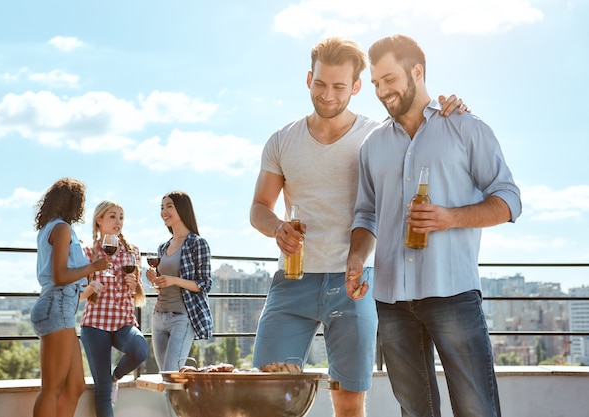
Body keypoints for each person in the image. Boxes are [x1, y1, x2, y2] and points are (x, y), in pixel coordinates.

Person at [249, 37, 468, 417]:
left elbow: (425, 132)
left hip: (356, 282)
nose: (328, 95)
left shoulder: (377, 135)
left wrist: (452, 108)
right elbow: (259, 208)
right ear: (308, 80)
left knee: (348, 401)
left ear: (355, 87)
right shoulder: (282, 140)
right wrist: (277, 228)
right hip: (292, 280)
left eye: (338, 86)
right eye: (320, 84)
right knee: (268, 393)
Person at [346, 34, 522, 417]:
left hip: (452, 293)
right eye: (375, 83)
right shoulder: (372, 145)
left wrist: (451, 217)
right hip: (391, 299)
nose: (381, 91)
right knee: (415, 412)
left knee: (476, 409)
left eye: (389, 79)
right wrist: (357, 258)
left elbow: (509, 201)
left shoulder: (465, 128)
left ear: (417, 71)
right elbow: (365, 215)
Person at [30, 178, 109, 417]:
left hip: (63, 306)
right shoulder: (62, 228)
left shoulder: (54, 228)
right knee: (52, 388)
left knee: (75, 386)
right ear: (74, 203)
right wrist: (93, 266)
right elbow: (60, 275)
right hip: (56, 305)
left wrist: (88, 277)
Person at [80, 200, 149, 416]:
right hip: (95, 324)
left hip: (123, 322)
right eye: (112, 216)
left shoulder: (132, 251)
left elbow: (138, 294)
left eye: (121, 217)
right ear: (99, 220)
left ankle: (114, 378)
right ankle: (107, 384)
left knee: (140, 350)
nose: (118, 221)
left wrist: (135, 285)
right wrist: (92, 287)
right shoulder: (88, 251)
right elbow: (79, 294)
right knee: (102, 392)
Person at [145, 191, 213, 371]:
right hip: (159, 317)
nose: (164, 211)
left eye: (169, 206)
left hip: (182, 318)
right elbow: (162, 286)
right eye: (162, 207)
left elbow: (205, 284)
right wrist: (155, 279)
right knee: (166, 377)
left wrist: (174, 280)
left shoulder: (197, 243)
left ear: (182, 209)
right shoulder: (163, 247)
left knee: (171, 374)